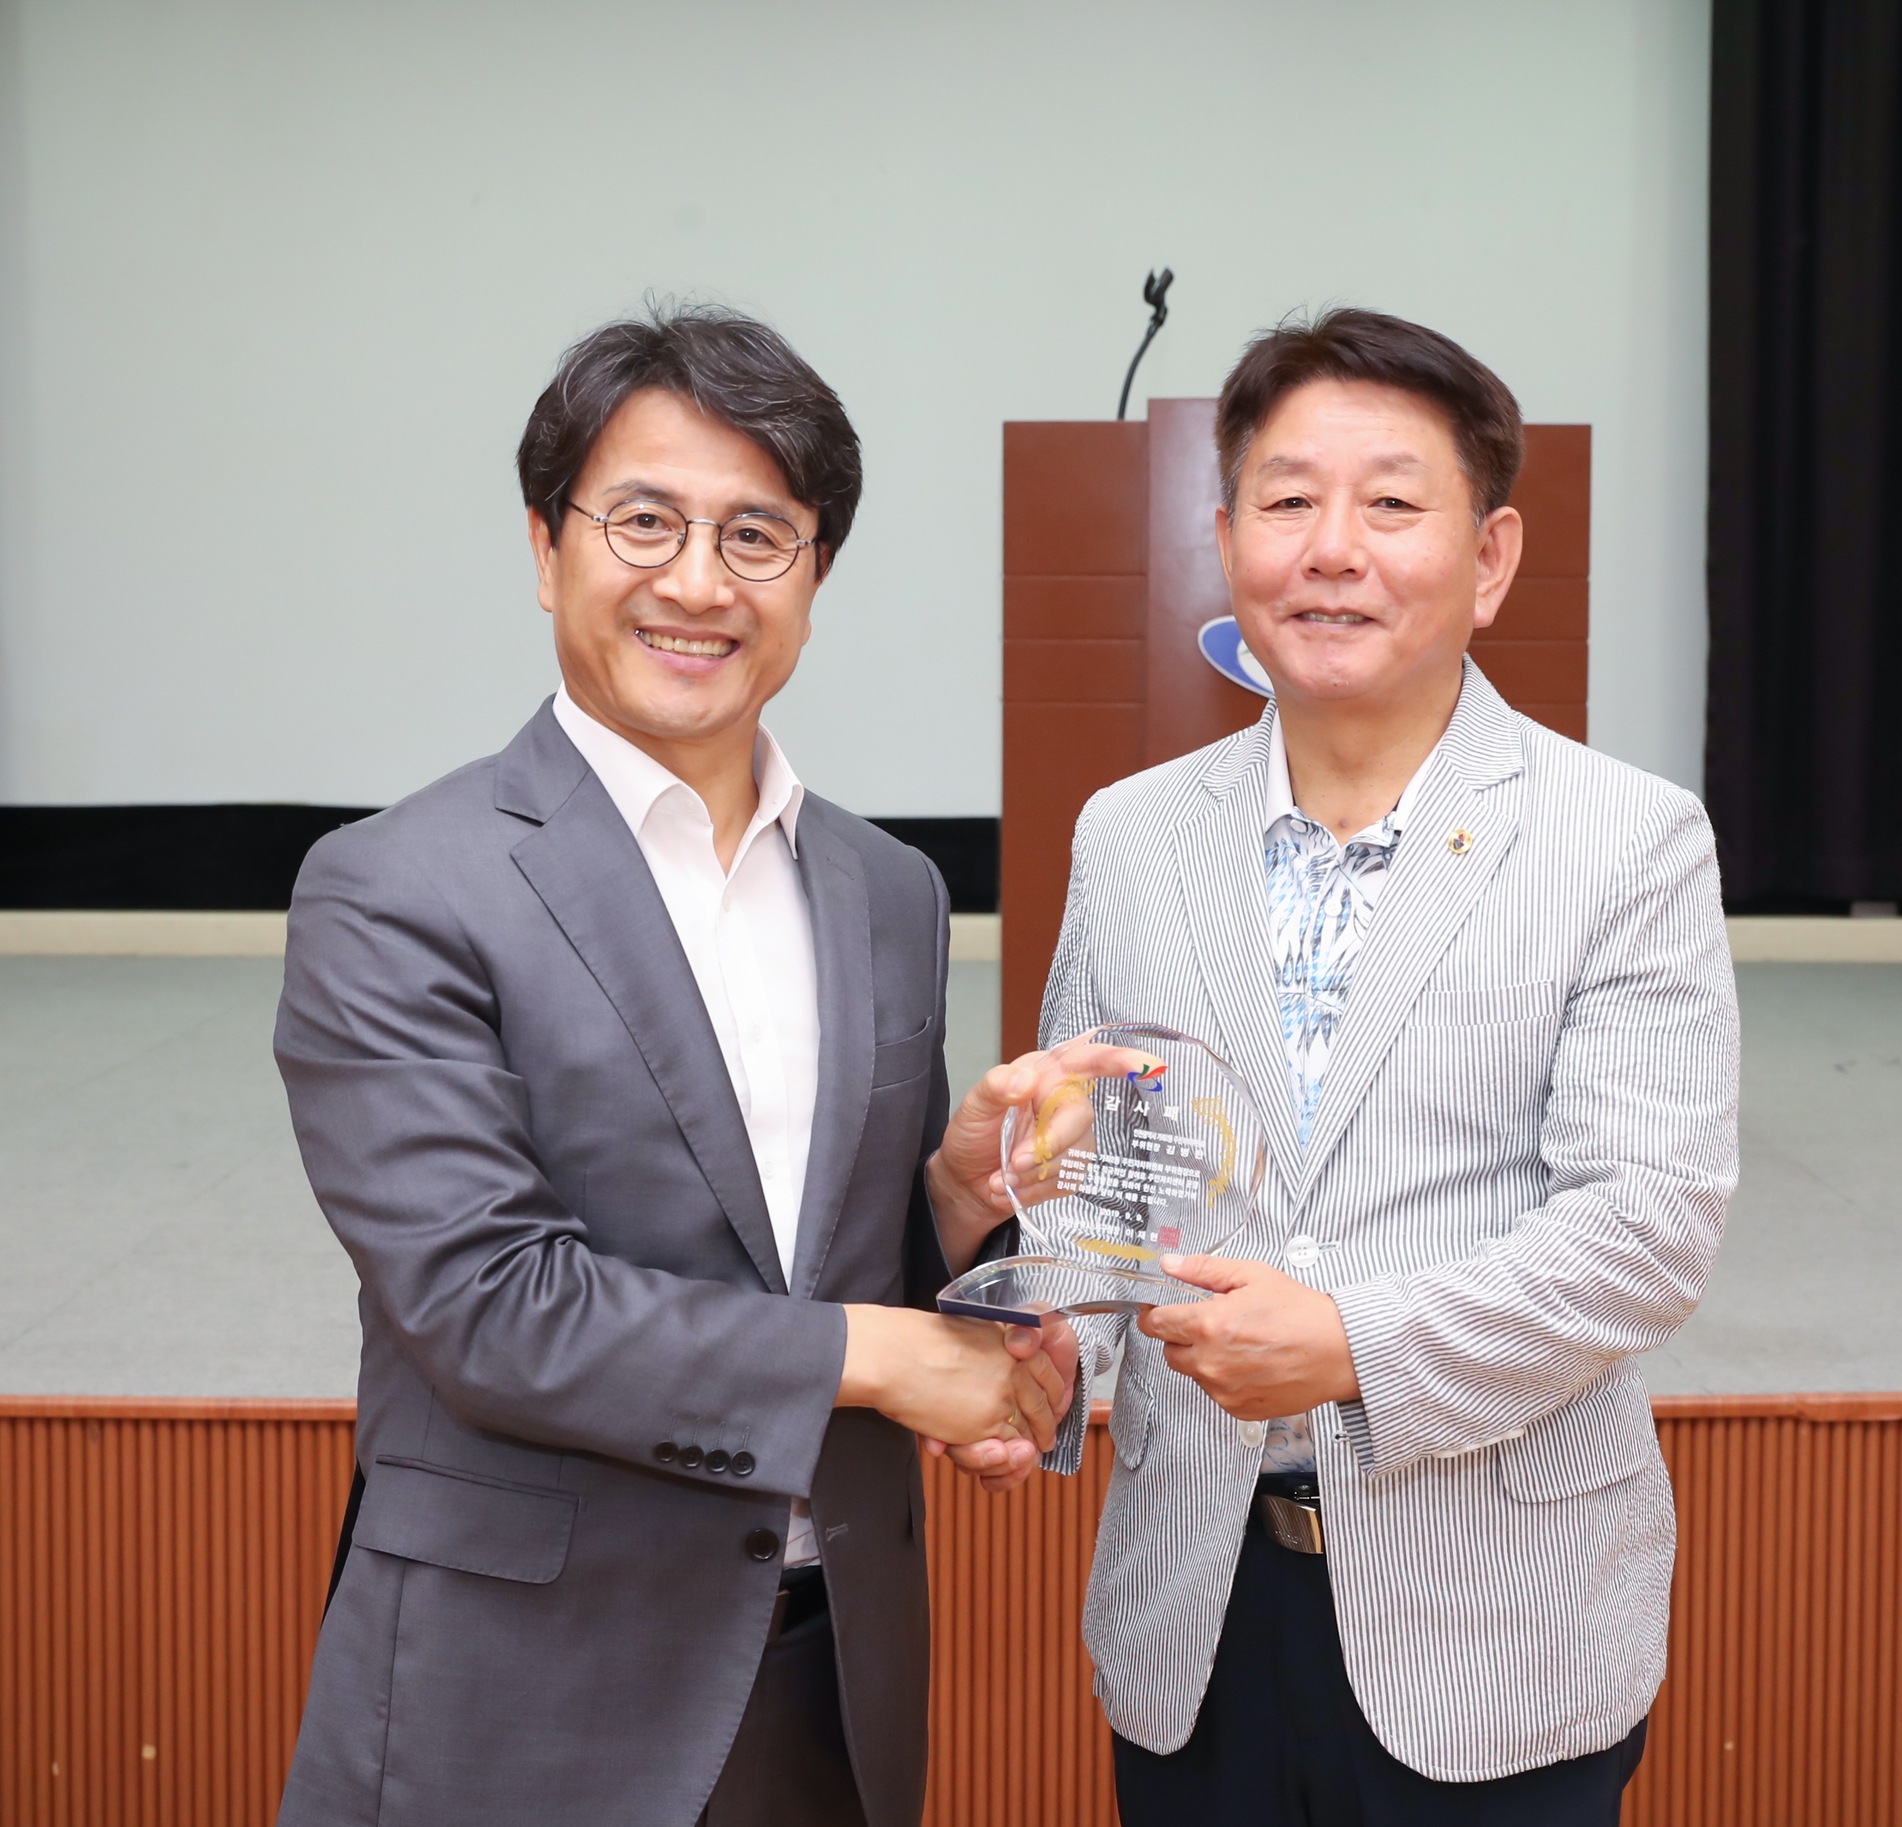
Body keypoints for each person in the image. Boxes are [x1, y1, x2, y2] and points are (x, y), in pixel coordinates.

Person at [273, 305, 1075, 1827]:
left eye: (757, 535)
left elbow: (822, 1272)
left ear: (815, 577)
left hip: (826, 1678)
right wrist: (886, 1359)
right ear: (544, 547)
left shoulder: (888, 889)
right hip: (523, 1689)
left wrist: (958, 1209)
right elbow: (488, 1307)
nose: (699, 583)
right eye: (644, 521)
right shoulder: (397, 885)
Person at [1037, 309, 1740, 1823]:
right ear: (1226, 538)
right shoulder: (1128, 834)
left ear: (1489, 558)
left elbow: (1646, 1229)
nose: (1332, 549)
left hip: (1495, 1619)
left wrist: (1352, 1342)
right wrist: (1043, 1355)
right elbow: (1108, 1179)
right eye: (1287, 500)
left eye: (1392, 504)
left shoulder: (1626, 839)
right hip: (1192, 1614)